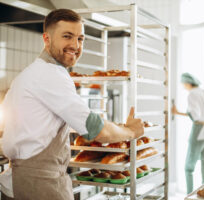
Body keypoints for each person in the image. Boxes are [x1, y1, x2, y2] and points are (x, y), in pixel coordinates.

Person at [0, 9, 144, 200]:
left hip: (17, 183)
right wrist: (131, 131)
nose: (75, 45)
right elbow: (97, 130)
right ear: (47, 39)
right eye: (67, 36)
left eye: (80, 38)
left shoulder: (30, 73)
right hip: (39, 187)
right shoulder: (50, 74)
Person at [172, 73, 204, 194]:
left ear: (187, 83)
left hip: (199, 132)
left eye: (183, 84)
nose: (183, 87)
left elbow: (195, 116)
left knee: (188, 168)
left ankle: (189, 195)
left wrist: (177, 113)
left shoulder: (192, 94)